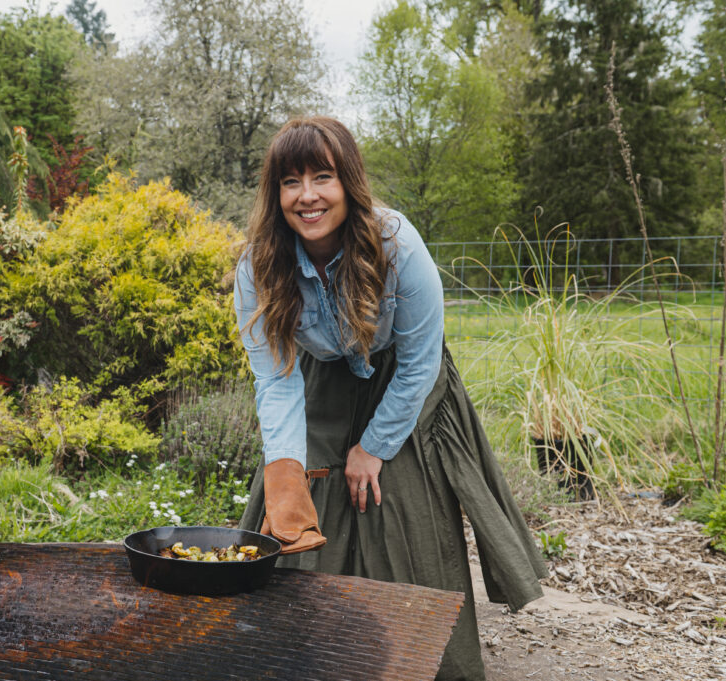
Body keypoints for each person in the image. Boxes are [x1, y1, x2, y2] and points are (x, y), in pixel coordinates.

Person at [234, 115, 546, 681]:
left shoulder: (396, 243)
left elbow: (423, 361)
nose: (307, 197)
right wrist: (286, 470)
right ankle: (302, 660)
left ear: (348, 181)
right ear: (274, 192)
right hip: (321, 377)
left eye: (322, 177)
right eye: (290, 182)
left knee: (399, 512)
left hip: (404, 379)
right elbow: (275, 379)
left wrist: (374, 446)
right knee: (302, 512)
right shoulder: (258, 265)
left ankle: (428, 663)